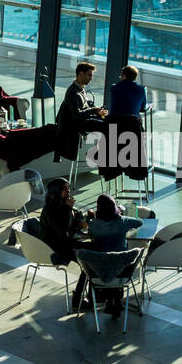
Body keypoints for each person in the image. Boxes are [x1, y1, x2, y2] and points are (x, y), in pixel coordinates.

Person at [86, 193, 143, 318]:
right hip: (123, 270)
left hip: (99, 269)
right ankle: (115, 300)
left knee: (108, 260)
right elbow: (140, 222)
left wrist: (93, 217)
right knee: (118, 259)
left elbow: (90, 233)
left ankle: (110, 299)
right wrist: (121, 216)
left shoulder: (93, 224)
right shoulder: (122, 221)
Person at [39, 177, 92, 310]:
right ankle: (78, 298)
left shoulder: (62, 206)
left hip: (67, 243)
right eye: (66, 190)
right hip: (55, 248)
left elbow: (71, 226)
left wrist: (79, 217)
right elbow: (61, 229)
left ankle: (94, 295)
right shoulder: (49, 209)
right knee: (89, 262)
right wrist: (68, 209)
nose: (69, 193)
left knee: (94, 252)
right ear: (57, 191)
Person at [55, 60, 108, 162]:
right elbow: (77, 114)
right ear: (80, 74)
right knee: (107, 127)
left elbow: (86, 105)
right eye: (89, 75)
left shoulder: (80, 89)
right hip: (76, 124)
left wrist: (97, 110)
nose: (91, 78)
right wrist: (94, 110)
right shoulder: (72, 92)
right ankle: (96, 153)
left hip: (81, 121)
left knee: (108, 123)